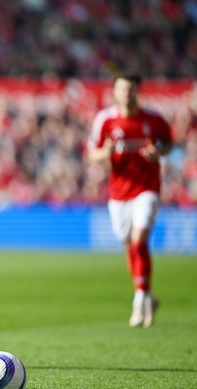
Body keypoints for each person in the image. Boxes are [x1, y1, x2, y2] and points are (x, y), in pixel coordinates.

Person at [88, 73, 173, 328]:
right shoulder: (105, 119)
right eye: (123, 89)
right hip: (118, 193)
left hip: (147, 188)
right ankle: (148, 293)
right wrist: (106, 153)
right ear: (115, 92)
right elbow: (92, 153)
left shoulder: (153, 118)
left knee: (139, 240)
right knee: (130, 246)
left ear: (139, 91)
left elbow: (169, 143)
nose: (128, 94)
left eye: (132, 89)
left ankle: (139, 300)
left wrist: (158, 151)